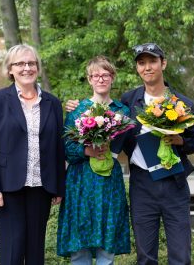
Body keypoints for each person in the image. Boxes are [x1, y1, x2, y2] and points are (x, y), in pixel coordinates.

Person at [66, 43, 194, 264]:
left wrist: (180, 140)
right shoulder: (128, 102)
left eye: (152, 61)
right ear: (137, 68)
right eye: (141, 63)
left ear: (163, 63)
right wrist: (76, 105)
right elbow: (101, 108)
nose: (147, 67)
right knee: (145, 256)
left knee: (181, 255)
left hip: (174, 182)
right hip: (142, 184)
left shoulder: (183, 103)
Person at [0, 44, 66, 265]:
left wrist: (58, 186)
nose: (26, 68)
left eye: (31, 63)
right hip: (8, 188)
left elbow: (57, 146)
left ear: (37, 67)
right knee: (12, 250)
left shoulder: (52, 103)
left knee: (36, 251)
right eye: (20, 63)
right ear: (10, 69)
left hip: (42, 186)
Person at [57, 56, 131, 264]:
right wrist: (87, 151)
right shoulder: (77, 110)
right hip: (81, 180)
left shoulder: (121, 111)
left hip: (108, 181)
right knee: (80, 243)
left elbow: (125, 144)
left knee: (106, 245)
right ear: (89, 79)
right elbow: (66, 149)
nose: (101, 79)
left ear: (112, 78)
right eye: (96, 75)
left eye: (105, 74)